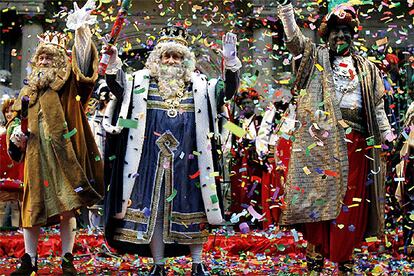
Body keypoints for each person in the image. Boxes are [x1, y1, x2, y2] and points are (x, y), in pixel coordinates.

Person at [103, 26, 241, 275]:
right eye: (166, 56)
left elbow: (227, 92)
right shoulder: (139, 83)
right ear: (157, 59)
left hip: (190, 164)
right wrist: (113, 61)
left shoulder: (201, 86)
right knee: (153, 212)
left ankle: (197, 264)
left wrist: (230, 61)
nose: (171, 61)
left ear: (185, 61)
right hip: (147, 164)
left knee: (196, 213)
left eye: (176, 57)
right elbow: (117, 86)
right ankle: (158, 265)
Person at [276, 2, 394, 274]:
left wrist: (388, 136)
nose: (341, 36)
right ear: (327, 36)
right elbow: (295, 43)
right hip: (323, 144)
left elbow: (377, 108)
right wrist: (286, 12)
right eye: (335, 32)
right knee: (320, 199)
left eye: (345, 31)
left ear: (353, 35)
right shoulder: (316, 58)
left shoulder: (367, 68)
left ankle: (345, 259)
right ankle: (315, 255)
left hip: (358, 145)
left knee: (350, 205)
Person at [7, 0, 104, 274]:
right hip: (36, 156)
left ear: (61, 61)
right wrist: (15, 136)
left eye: (50, 58)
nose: (45, 62)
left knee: (68, 206)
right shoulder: (27, 92)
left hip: (64, 157)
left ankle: (67, 258)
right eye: (41, 58)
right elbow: (14, 120)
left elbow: (86, 73)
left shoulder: (69, 86)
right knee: (31, 208)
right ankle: (29, 259)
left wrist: (82, 32)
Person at [0, 98, 24, 229]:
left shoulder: (18, 127)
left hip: (17, 168)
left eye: (11, 111)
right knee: (2, 203)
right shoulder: (5, 128)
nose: (9, 114)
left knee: (17, 203)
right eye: (6, 111)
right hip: (3, 169)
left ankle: (17, 229)